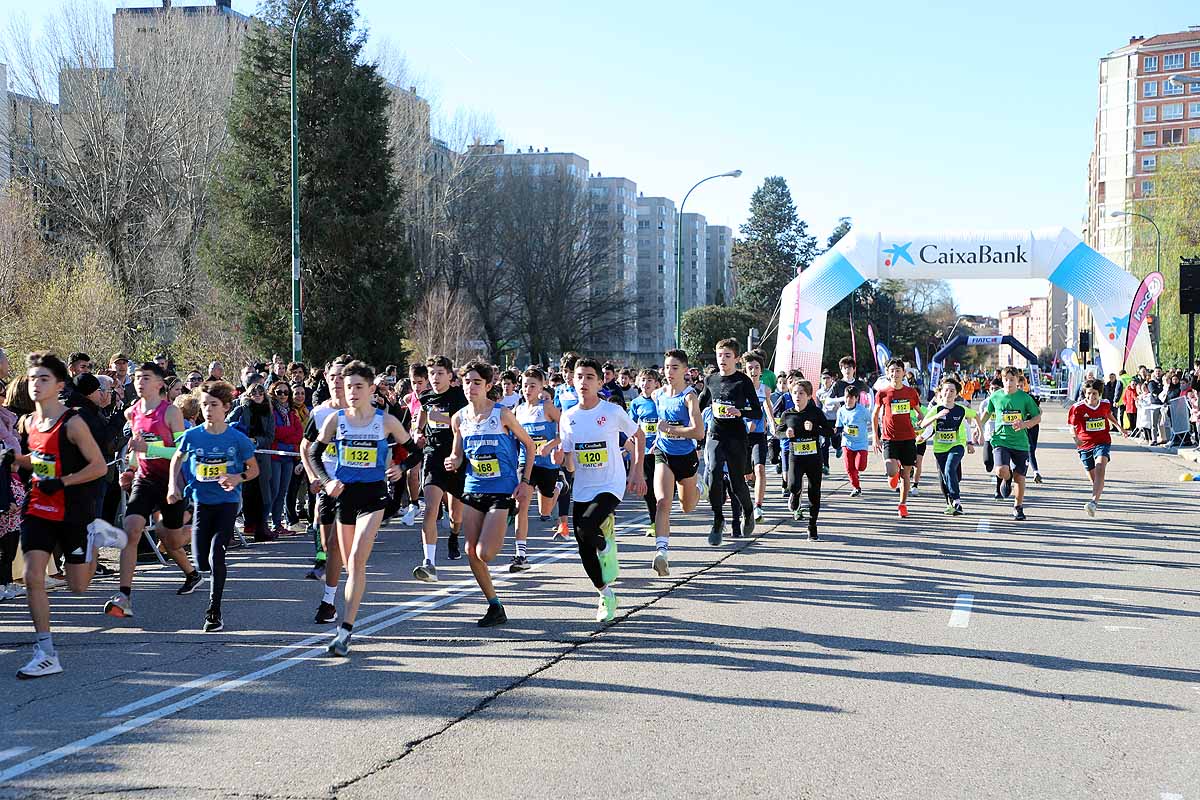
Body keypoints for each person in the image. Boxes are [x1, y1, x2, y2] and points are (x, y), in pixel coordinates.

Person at [13, 352, 120, 678]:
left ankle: (95, 536)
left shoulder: (73, 423)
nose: (36, 384)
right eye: (33, 378)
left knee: (78, 586)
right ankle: (46, 652)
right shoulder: (29, 422)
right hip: (37, 507)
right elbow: (41, 458)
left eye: (44, 379)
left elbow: (98, 467)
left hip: (73, 511)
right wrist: (16, 460)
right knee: (33, 576)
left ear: (59, 385)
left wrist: (62, 482)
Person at [306, 360, 416, 657]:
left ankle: (345, 629)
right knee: (347, 563)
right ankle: (343, 622)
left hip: (374, 497)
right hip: (345, 497)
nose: (352, 392)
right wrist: (327, 481)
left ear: (370, 389)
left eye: (358, 386)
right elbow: (314, 452)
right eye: (348, 386)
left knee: (356, 559)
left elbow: (416, 451)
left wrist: (401, 468)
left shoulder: (386, 421)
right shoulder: (336, 420)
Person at [105, 362, 202, 620]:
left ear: (160, 383)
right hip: (145, 480)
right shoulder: (133, 411)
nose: (139, 382)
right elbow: (138, 447)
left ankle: (193, 569)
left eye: (146, 377)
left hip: (171, 482)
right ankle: (124, 595)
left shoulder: (171, 412)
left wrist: (151, 450)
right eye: (137, 377)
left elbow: (182, 452)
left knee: (171, 540)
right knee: (131, 529)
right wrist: (130, 470)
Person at [444, 361, 535, 626]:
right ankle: (495, 606)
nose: (470, 387)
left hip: (502, 490)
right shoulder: (459, 418)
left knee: (485, 553)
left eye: (476, 383)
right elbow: (458, 454)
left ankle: (508, 515)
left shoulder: (502, 414)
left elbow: (529, 445)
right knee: (471, 550)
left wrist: (525, 481)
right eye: (466, 382)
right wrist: (453, 461)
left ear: (487, 386)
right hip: (473, 488)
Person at [167, 381, 258, 632]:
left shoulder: (237, 438)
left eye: (214, 405)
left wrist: (238, 477)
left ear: (226, 407)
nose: (208, 409)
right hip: (201, 503)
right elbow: (177, 458)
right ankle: (201, 575)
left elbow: (254, 469)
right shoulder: (193, 435)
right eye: (204, 404)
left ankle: (214, 611)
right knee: (201, 562)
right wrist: (172, 486)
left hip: (227, 503)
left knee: (216, 553)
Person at [558, 357, 645, 622]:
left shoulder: (612, 411)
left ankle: (605, 543)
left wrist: (637, 470)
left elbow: (639, 435)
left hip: (611, 483)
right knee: (582, 543)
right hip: (584, 486)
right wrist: (560, 457)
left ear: (599, 382)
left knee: (586, 527)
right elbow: (570, 462)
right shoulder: (568, 417)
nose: (583, 382)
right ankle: (605, 594)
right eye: (579, 377)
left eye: (589, 377)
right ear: (572, 381)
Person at [697, 339, 762, 545]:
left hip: (736, 437)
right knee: (713, 473)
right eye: (719, 355)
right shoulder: (711, 379)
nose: (722, 359)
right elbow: (699, 405)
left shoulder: (743, 381)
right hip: (715, 434)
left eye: (727, 355)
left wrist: (740, 411)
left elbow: (757, 412)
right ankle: (718, 520)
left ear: (736, 358)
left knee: (736, 482)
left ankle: (748, 511)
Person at [299, 359, 347, 622]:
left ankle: (329, 601)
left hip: (355, 487)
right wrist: (313, 476)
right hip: (328, 483)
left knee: (341, 546)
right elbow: (305, 448)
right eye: (332, 377)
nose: (336, 382)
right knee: (330, 546)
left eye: (342, 376)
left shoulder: (364, 412)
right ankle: (331, 598)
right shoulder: (319, 413)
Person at [413, 355, 467, 581]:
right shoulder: (425, 397)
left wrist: (444, 419)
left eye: (440, 373)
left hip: (456, 457)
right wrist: (418, 432)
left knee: (456, 514)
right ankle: (429, 562)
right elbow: (422, 418)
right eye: (432, 373)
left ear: (450, 375)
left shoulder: (459, 396)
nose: (435, 377)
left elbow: (465, 424)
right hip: (433, 456)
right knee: (430, 508)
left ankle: (454, 536)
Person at [511, 367, 561, 572]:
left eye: (533, 385)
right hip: (526, 463)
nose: (528, 389)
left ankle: (559, 487)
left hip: (547, 464)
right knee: (521, 503)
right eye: (525, 385)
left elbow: (568, 428)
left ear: (541, 388)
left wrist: (552, 444)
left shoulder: (547, 407)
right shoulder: (518, 410)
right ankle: (521, 555)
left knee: (545, 511)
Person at [978, 366, 1042, 521]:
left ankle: (1018, 507)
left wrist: (1025, 424)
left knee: (1020, 477)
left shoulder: (1025, 398)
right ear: (1002, 380)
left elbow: (1037, 417)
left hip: (1020, 443)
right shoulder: (996, 396)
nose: (1009, 383)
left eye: (1012, 380)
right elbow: (988, 412)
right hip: (1001, 440)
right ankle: (1007, 479)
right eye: (1006, 380)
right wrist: (978, 428)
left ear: (1017, 380)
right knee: (1001, 470)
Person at [776, 374, 833, 540]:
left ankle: (812, 526)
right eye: (795, 393)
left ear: (808, 396)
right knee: (793, 486)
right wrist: (785, 434)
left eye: (801, 393)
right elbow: (778, 433)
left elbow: (829, 431)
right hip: (796, 457)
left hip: (814, 458)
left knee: (814, 492)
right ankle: (795, 495)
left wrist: (814, 428)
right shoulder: (787, 415)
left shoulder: (815, 412)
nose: (797, 396)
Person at [917, 378, 980, 516]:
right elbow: (924, 424)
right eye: (946, 390)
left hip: (957, 445)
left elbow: (976, 415)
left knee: (949, 469)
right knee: (945, 477)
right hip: (940, 448)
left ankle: (957, 502)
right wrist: (936, 417)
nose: (949, 393)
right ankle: (949, 503)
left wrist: (978, 434)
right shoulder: (936, 409)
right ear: (941, 392)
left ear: (957, 394)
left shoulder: (960, 409)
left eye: (952, 391)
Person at [871, 357, 921, 519]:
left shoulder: (910, 392)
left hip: (908, 438)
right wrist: (875, 437)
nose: (895, 374)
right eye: (892, 371)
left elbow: (919, 412)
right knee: (891, 471)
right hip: (889, 438)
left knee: (906, 474)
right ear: (887, 373)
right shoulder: (883, 393)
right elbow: (875, 415)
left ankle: (902, 505)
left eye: (898, 370)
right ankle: (894, 473)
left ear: (904, 373)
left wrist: (922, 422)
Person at [1068, 378, 1126, 516]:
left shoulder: (1105, 404)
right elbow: (1071, 426)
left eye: (1094, 393)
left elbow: (1109, 414)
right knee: (1094, 479)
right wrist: (1076, 438)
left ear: (1099, 394)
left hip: (1102, 442)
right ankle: (1096, 495)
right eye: (1088, 393)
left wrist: (1120, 428)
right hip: (1084, 445)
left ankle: (1093, 503)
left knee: (1100, 467)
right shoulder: (1077, 408)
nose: (1091, 396)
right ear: (1085, 393)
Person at [627, 369, 660, 536]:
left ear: (656, 384)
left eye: (649, 380)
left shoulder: (660, 401)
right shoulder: (636, 403)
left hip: (661, 450)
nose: (646, 383)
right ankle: (654, 522)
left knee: (663, 488)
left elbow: (666, 421)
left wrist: (658, 440)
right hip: (644, 451)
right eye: (643, 380)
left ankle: (662, 516)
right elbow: (630, 425)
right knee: (648, 488)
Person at [267, 381, 303, 536]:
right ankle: (265, 524)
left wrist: (286, 434)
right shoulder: (271, 412)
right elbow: (274, 432)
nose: (282, 395)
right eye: (279, 392)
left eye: (286, 392)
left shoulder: (292, 412)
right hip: (275, 456)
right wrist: (289, 432)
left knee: (283, 492)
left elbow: (299, 434)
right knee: (273, 491)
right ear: (273, 393)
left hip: (289, 457)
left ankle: (277, 524)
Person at [743, 352, 775, 521]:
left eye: (756, 368)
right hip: (742, 436)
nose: (753, 371)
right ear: (745, 369)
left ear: (761, 370)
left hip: (759, 435)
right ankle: (749, 481)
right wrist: (745, 423)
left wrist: (772, 424)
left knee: (760, 468)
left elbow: (768, 407)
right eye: (750, 368)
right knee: (746, 473)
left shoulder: (765, 389)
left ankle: (758, 507)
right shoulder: (740, 389)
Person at [835, 384, 871, 496]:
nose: (848, 400)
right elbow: (839, 426)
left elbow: (873, 421)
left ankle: (856, 474)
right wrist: (835, 433)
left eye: (851, 398)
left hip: (861, 443)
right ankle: (856, 487)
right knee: (849, 468)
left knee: (860, 467)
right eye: (846, 397)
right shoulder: (841, 411)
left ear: (856, 398)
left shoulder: (862, 410)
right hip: (847, 443)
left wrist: (878, 435)